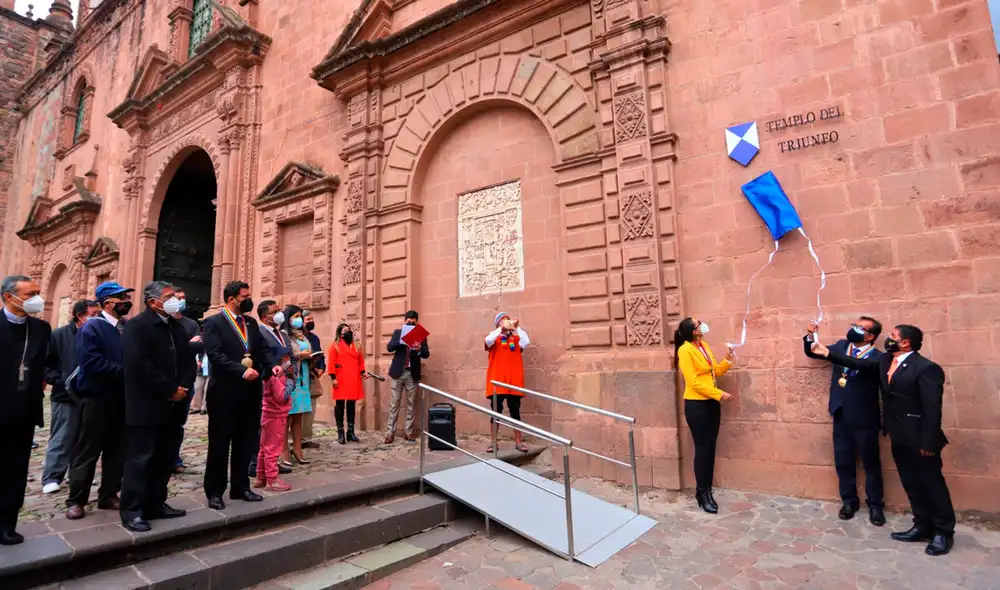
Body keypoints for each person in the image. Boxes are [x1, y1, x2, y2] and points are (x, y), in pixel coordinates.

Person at [812, 325, 955, 556]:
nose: (889, 339)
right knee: (911, 483)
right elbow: (858, 364)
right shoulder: (886, 361)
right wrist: (827, 353)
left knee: (932, 485)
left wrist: (928, 443)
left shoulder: (926, 368)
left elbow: (932, 410)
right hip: (899, 435)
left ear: (906, 342)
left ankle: (943, 532)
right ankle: (922, 525)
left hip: (920, 439)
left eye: (894, 337)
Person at [119, 281, 196, 532]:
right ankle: (133, 510)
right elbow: (138, 365)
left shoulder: (177, 326)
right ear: (153, 302)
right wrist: (169, 389)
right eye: (170, 296)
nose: (176, 300)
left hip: (174, 404)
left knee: (164, 458)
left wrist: (183, 386)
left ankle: (156, 503)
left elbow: (188, 360)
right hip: (147, 404)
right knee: (140, 459)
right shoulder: (136, 327)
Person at [202, 281, 280, 510]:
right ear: (231, 299)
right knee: (219, 443)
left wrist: (272, 365)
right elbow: (215, 354)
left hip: (250, 391)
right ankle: (215, 491)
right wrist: (241, 370)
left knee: (245, 441)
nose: (248, 299)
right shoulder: (214, 323)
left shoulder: (251, 323)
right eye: (244, 296)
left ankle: (240, 486)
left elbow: (263, 350)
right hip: (224, 391)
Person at [803, 318, 886, 526]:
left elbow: (860, 365)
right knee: (843, 461)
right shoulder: (842, 346)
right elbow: (814, 351)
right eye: (854, 325)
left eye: (860, 327)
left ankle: (875, 505)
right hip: (841, 414)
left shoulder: (879, 358)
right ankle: (849, 502)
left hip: (865, 418)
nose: (853, 329)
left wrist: (831, 355)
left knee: (871, 464)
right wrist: (810, 336)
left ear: (870, 336)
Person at [66, 281, 133, 521]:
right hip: (97, 398)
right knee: (88, 450)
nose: (127, 302)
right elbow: (92, 363)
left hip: (122, 398)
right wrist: (126, 373)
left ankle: (108, 494)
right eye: (122, 298)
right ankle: (76, 499)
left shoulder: (126, 327)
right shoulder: (92, 327)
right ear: (108, 303)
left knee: (117, 450)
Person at [0, 275, 52, 545]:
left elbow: (46, 364)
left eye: (37, 292)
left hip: (25, 412)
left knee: (16, 470)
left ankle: (7, 522)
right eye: (30, 293)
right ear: (10, 297)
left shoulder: (41, 328)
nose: (36, 298)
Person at [674, 317, 735, 515]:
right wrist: (719, 394)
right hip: (696, 405)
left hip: (711, 404)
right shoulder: (685, 350)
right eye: (698, 323)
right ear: (693, 331)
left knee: (711, 448)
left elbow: (713, 372)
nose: (702, 324)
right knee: (702, 449)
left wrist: (727, 360)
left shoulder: (704, 346)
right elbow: (693, 382)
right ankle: (702, 492)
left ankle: (707, 491)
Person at [41, 299, 99, 494]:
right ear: (80, 316)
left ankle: (76, 475)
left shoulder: (99, 334)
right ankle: (52, 475)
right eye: (92, 315)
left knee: (83, 439)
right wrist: (59, 380)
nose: (96, 318)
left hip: (90, 395)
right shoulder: (59, 335)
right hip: (65, 395)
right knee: (62, 437)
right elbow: (46, 364)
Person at [252, 300, 290, 476]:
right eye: (275, 311)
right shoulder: (259, 332)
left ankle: (272, 462)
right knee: (264, 425)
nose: (279, 313)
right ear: (265, 317)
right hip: (267, 381)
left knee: (277, 427)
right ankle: (256, 463)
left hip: (281, 381)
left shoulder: (281, 333)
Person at [484, 312, 531, 454]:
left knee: (515, 411)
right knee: (496, 412)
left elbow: (526, 341)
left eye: (508, 320)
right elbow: (488, 341)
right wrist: (501, 329)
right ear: (498, 323)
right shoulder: (494, 336)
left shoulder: (516, 338)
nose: (506, 323)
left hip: (513, 381)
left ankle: (518, 441)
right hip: (497, 382)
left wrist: (517, 327)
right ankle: (493, 442)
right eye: (503, 321)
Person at [170, 288, 202, 474]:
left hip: (186, 381)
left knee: (179, 423)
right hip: (166, 382)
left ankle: (175, 458)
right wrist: (188, 345)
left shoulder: (190, 324)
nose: (182, 300)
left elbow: (199, 345)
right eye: (178, 297)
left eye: (183, 297)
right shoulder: (161, 323)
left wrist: (189, 346)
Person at [385, 310, 430, 444]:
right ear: (405, 321)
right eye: (408, 322)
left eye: (413, 323)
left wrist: (419, 350)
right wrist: (402, 341)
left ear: (417, 323)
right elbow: (389, 347)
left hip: (412, 373)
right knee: (394, 404)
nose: (410, 324)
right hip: (398, 372)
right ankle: (390, 433)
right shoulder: (397, 333)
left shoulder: (421, 335)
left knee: (411, 404)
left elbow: (426, 354)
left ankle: (408, 432)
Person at [255, 345, 293, 492]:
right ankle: (272, 479)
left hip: (268, 414)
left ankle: (260, 477)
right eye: (286, 358)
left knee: (264, 448)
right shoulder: (276, 376)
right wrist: (290, 383)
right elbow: (281, 396)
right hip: (276, 415)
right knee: (272, 448)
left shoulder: (269, 374)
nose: (288, 361)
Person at [280, 305, 313, 464]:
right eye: (296, 316)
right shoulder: (284, 335)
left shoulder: (302, 335)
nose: (299, 319)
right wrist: (300, 355)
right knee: (287, 416)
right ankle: (284, 449)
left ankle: (297, 448)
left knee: (299, 416)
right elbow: (284, 356)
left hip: (303, 377)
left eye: (300, 316)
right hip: (290, 378)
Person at [328, 323, 366, 445]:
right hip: (340, 378)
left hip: (354, 378)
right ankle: (340, 432)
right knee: (339, 405)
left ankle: (350, 431)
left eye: (349, 330)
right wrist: (333, 378)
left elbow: (361, 361)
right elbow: (331, 363)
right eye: (345, 330)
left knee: (351, 404)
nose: (348, 332)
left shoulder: (357, 346)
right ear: (340, 334)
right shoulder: (335, 346)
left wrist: (363, 372)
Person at [300, 310, 325, 449]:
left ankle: (306, 438)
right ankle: (294, 438)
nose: (311, 321)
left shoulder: (314, 338)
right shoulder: (295, 337)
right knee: (298, 409)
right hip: (299, 375)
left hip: (312, 375)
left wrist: (321, 367)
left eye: (312, 319)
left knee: (311, 408)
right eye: (308, 319)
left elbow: (320, 354)